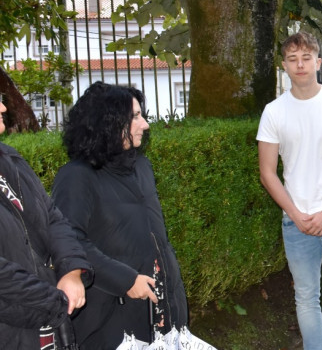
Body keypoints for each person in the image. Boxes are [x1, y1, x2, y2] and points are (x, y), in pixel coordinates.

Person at [52, 82, 188, 348]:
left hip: (162, 307)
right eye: (135, 117)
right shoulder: (76, 176)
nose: (145, 124)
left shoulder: (141, 166)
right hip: (110, 319)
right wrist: (125, 281)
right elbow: (68, 242)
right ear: (108, 123)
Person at [257, 31, 322, 350]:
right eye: (292, 59)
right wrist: (296, 214)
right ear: (284, 66)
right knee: (305, 297)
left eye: (306, 58)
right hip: (296, 219)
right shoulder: (273, 112)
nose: (300, 64)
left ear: (318, 61)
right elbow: (267, 173)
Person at [0, 100, 91, 350]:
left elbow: (52, 217)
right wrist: (52, 299)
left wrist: (71, 272)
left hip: (47, 327)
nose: (4, 108)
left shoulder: (11, 160)